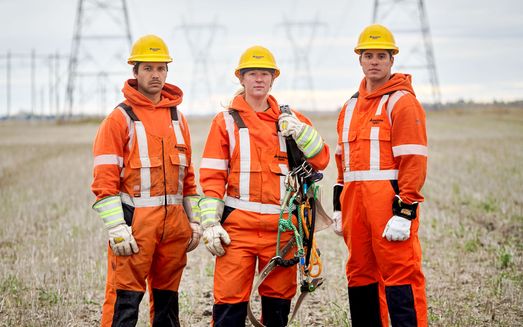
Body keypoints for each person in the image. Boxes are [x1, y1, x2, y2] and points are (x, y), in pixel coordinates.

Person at [198, 45, 330, 327]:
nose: (259, 79)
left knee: (278, 306)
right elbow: (211, 178)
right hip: (237, 230)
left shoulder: (292, 120)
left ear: (273, 79)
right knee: (229, 304)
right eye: (252, 74)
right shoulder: (224, 122)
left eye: (265, 74)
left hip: (282, 230)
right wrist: (210, 223)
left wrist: (302, 134)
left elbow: (322, 160)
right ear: (241, 78)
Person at [91, 34, 202, 327]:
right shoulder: (119, 119)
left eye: (161, 68)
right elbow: (104, 181)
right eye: (149, 68)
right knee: (123, 304)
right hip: (135, 228)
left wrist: (196, 223)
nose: (156, 75)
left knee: (168, 306)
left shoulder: (178, 118)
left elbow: (188, 178)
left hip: (174, 229)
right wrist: (117, 226)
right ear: (135, 72)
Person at [333, 24, 428, 326]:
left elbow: (413, 160)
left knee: (401, 275)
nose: (374, 61)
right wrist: (338, 207)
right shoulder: (348, 107)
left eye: (381, 56)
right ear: (359, 60)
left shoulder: (401, 102)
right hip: (355, 208)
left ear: (392, 61)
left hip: (388, 207)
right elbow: (341, 162)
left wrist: (405, 211)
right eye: (368, 55)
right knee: (359, 274)